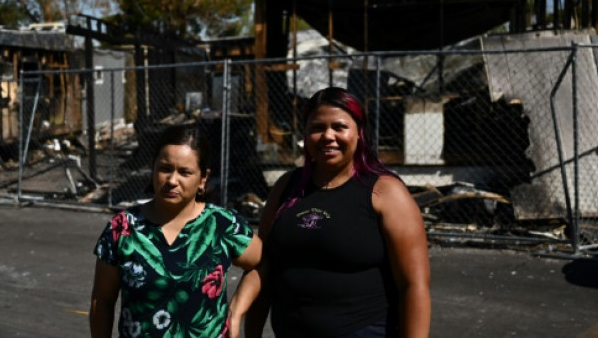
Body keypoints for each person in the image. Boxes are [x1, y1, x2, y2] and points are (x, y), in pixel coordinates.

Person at [229, 87, 431, 338]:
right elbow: (264, 266)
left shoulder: (386, 192)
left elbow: (414, 285)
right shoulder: (286, 187)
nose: (328, 136)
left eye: (339, 126)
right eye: (317, 128)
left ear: (359, 133)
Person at [90, 124, 263, 337]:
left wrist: (236, 312)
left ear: (203, 178)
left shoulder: (222, 225)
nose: (172, 180)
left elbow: (263, 263)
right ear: (152, 168)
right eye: (165, 168)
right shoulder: (123, 228)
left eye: (184, 172)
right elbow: (102, 300)